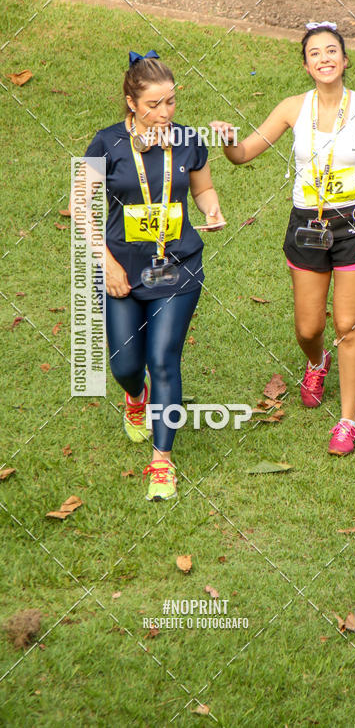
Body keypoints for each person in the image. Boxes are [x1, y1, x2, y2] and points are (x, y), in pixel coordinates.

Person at [214, 21, 355, 454]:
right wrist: (227, 142)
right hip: (306, 225)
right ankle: (317, 362)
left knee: (347, 326)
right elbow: (242, 155)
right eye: (315, 53)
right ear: (306, 64)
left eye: (332, 51)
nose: (325, 58)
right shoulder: (292, 108)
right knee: (308, 327)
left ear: (345, 59)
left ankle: (347, 421)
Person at [78, 51, 226, 501]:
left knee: (164, 358)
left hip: (177, 266)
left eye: (172, 102)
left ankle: (162, 463)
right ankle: (135, 397)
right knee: (125, 365)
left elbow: (202, 187)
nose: (165, 113)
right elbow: (81, 207)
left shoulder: (187, 139)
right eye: (155, 104)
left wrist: (212, 209)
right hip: (122, 269)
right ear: (131, 102)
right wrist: (107, 264)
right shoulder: (105, 144)